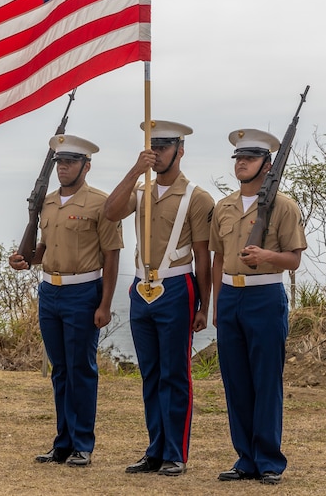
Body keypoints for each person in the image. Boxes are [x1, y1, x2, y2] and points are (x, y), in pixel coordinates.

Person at [103, 121, 214, 477]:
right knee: (150, 373)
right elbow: (110, 211)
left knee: (175, 373)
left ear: (180, 150)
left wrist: (204, 305)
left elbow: (203, 256)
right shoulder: (141, 189)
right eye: (154, 146)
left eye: (165, 147)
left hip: (177, 286)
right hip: (140, 287)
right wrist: (136, 169)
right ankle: (155, 449)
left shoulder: (196, 196)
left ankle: (176, 452)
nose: (159, 153)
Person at [8, 134, 123, 468]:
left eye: (71, 162)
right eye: (60, 162)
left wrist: (104, 304)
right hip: (50, 291)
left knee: (81, 370)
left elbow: (111, 255)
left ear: (86, 166)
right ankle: (62, 442)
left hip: (83, 291)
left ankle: (82, 443)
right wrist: (24, 257)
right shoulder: (47, 202)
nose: (63, 168)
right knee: (59, 370)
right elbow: (45, 246)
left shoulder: (101, 202)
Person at [210, 129, 307, 486]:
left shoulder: (284, 206)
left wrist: (267, 256)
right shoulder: (224, 207)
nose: (241, 164)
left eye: (249, 158)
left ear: (267, 165)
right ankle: (245, 459)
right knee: (236, 382)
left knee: (266, 381)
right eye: (238, 158)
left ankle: (268, 460)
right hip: (231, 297)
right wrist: (218, 305)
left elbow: (294, 260)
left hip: (265, 297)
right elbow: (218, 256)